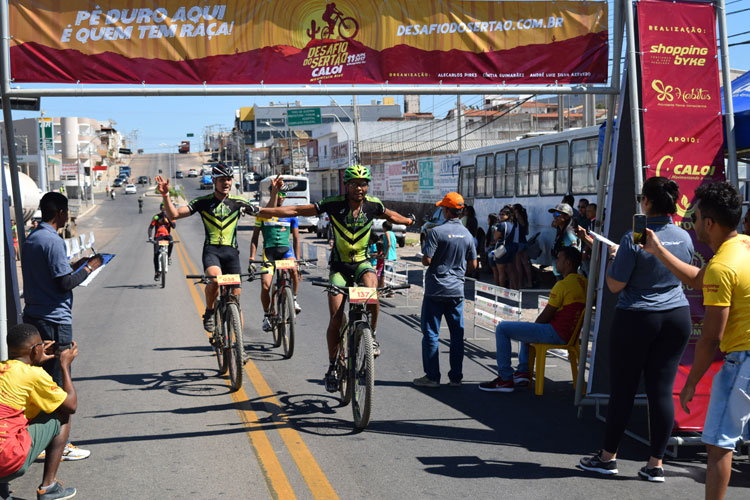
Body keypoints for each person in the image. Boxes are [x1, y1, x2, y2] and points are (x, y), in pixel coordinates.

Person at [250, 165, 415, 391]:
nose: (359, 187)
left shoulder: (373, 205)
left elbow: (390, 214)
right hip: (338, 268)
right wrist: (262, 211)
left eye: (363, 183)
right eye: (355, 183)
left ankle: (372, 336)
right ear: (346, 185)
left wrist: (406, 221)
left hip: (361, 264)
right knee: (336, 319)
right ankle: (332, 366)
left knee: (372, 292)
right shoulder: (333, 204)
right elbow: (296, 210)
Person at [578, 177, 693, 483]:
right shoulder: (684, 237)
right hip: (676, 315)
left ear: (647, 202)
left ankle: (607, 458)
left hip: (638, 317)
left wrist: (614, 259)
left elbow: (615, 285)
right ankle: (655, 464)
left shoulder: (636, 236)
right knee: (661, 391)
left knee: (624, 390)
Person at [641, 182, 749, 498]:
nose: (693, 222)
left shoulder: (722, 266)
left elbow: (711, 338)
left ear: (711, 223)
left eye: (697, 217)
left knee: (718, 445)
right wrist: (658, 251)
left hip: (741, 362)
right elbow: (697, 279)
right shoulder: (742, 246)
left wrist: (691, 384)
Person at [21, 192, 101, 462]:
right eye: (66, 212)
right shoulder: (53, 241)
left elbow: (54, 273)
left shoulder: (32, 239)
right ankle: (58, 444)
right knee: (59, 386)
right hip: (54, 321)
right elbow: (64, 284)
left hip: (34, 317)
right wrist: (89, 268)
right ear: (61, 213)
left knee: (40, 383)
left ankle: (41, 439)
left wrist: (74, 266)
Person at [157, 163, 253, 332]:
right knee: (215, 280)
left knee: (236, 300)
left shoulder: (239, 202)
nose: (227, 183)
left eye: (229, 179)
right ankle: (209, 311)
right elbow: (174, 215)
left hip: (232, 253)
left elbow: (266, 212)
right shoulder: (203, 202)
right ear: (214, 181)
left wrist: (275, 193)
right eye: (222, 179)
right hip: (212, 252)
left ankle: (239, 345)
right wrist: (165, 195)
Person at [479, 247, 586, 392]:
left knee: (502, 328)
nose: (555, 262)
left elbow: (546, 316)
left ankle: (505, 379)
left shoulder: (562, 285)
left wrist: (531, 332)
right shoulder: (585, 282)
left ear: (568, 263)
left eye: (558, 259)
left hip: (556, 333)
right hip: (570, 335)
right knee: (528, 329)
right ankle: (523, 372)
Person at [0, 324, 79, 500]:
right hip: (9, 462)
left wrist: (34, 359)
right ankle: (48, 487)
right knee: (61, 413)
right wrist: (64, 366)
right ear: (35, 350)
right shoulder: (33, 375)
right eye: (41, 345)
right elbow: (71, 405)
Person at [413, 192, 477, 388]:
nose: (442, 210)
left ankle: (432, 377)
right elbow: (473, 265)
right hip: (456, 291)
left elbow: (427, 260)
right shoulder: (468, 235)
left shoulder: (436, 232)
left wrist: (430, 257)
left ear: (448, 211)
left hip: (435, 290)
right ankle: (456, 378)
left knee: (431, 334)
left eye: (443, 208)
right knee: (457, 336)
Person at [250, 184, 302, 331]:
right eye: (278, 194)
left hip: (286, 252)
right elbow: (254, 238)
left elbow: (297, 239)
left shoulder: (291, 214)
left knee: (293, 270)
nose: (280, 197)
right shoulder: (263, 213)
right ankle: (267, 315)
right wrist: (252, 258)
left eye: (283, 195)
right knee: (265, 285)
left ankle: (294, 299)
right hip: (269, 254)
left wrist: (297, 260)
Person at [549, 202, 579, 278]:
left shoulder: (568, 234)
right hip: (561, 273)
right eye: (554, 214)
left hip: (566, 275)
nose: (554, 217)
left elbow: (573, 257)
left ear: (567, 217)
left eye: (557, 215)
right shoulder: (561, 231)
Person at [147, 203, 176, 281]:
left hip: (167, 236)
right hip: (158, 237)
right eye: (163, 208)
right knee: (156, 254)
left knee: (172, 241)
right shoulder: (156, 217)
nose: (164, 209)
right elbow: (150, 228)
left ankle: (169, 256)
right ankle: (157, 273)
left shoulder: (171, 216)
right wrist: (150, 238)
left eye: (166, 208)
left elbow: (173, 226)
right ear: (161, 208)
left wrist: (167, 217)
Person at [493, 206, 518, 289]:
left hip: (501, 249)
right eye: (500, 214)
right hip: (510, 248)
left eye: (502, 214)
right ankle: (513, 289)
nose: (500, 216)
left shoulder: (501, 225)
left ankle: (501, 290)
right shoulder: (512, 224)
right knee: (511, 271)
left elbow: (496, 238)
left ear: (508, 215)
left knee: (501, 272)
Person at [513, 204, 533, 288]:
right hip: (524, 242)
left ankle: (520, 283)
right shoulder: (525, 218)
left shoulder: (517, 218)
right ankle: (530, 282)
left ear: (516, 210)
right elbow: (527, 232)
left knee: (518, 265)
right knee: (525, 264)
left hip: (518, 243)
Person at [380, 221, 398, 288]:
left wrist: (385, 255)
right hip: (393, 256)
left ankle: (381, 289)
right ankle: (391, 291)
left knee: (383, 274)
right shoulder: (393, 234)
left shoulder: (387, 233)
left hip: (389, 257)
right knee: (392, 274)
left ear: (384, 227)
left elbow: (389, 244)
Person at [484, 213, 500, 281]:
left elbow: (496, 239)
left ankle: (497, 285)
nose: (487, 221)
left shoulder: (493, 227)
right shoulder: (498, 226)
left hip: (493, 250)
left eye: (488, 219)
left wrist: (491, 242)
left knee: (495, 270)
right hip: (497, 249)